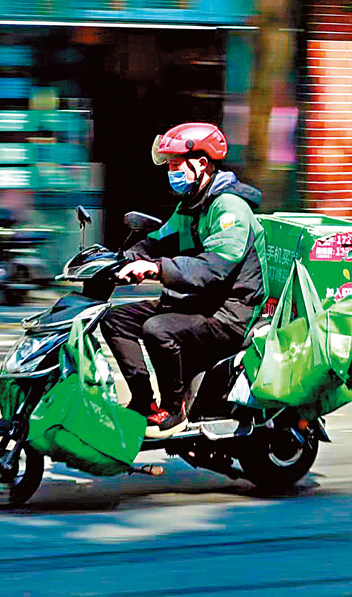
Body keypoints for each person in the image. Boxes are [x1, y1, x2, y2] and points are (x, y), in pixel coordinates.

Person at [100, 123, 269, 438]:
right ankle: (144, 403)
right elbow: (159, 240)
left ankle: (175, 410)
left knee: (158, 329)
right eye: (169, 165)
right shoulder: (192, 205)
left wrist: (156, 269)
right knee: (114, 319)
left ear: (201, 164)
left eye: (176, 164)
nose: (171, 172)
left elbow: (216, 267)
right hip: (201, 303)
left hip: (231, 312)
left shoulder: (229, 207)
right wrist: (121, 259)